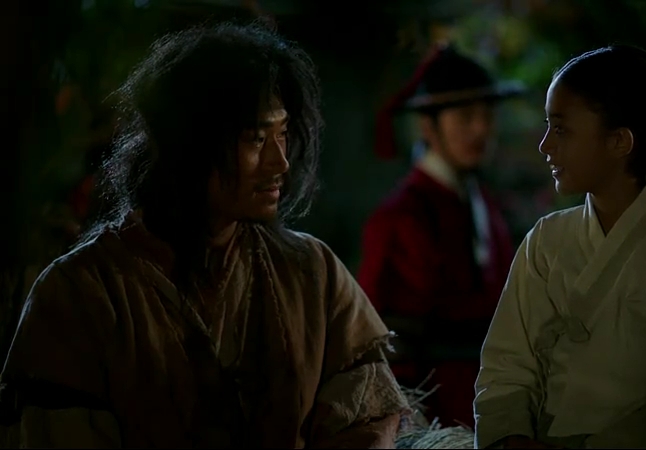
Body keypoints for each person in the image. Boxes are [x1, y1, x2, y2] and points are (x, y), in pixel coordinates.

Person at [0, 21, 409, 448]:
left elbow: (368, 420)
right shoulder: (81, 293)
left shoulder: (313, 272)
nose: (280, 163)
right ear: (188, 143)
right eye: (256, 139)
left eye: (283, 134)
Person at [473, 45, 646, 449]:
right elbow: (505, 367)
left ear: (619, 141)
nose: (545, 145)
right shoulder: (546, 241)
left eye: (561, 130)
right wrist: (511, 438)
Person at [358, 44, 524, 428]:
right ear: (428, 126)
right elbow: (383, 336)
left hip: (490, 396)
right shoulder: (402, 215)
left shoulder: (481, 200)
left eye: (487, 115)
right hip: (434, 409)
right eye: (465, 117)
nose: (480, 129)